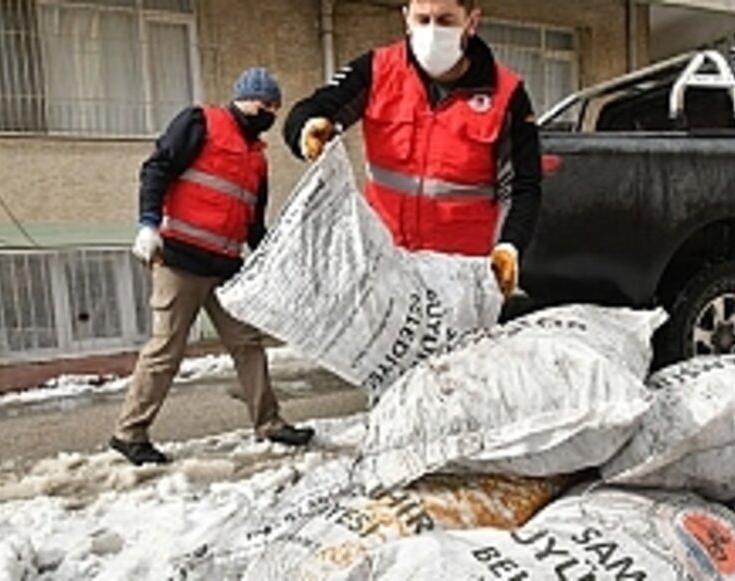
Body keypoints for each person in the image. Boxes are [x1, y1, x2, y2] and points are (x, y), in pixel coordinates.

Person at [110, 67, 314, 466]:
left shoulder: (257, 158)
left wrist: (271, 261)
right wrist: (148, 224)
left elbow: (253, 221)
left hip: (225, 268)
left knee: (247, 344)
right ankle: (129, 433)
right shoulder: (200, 122)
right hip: (180, 261)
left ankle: (269, 423)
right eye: (265, 103)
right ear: (243, 97)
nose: (270, 111)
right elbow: (157, 168)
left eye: (275, 106)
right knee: (166, 349)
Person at [282, 0, 541, 298]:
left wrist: (508, 247)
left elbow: (523, 186)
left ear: (472, 21)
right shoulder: (377, 71)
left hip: (461, 277)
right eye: (423, 19)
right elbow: (310, 110)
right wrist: (308, 132)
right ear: (407, 19)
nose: (432, 31)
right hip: (384, 264)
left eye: (445, 20)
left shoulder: (506, 94)